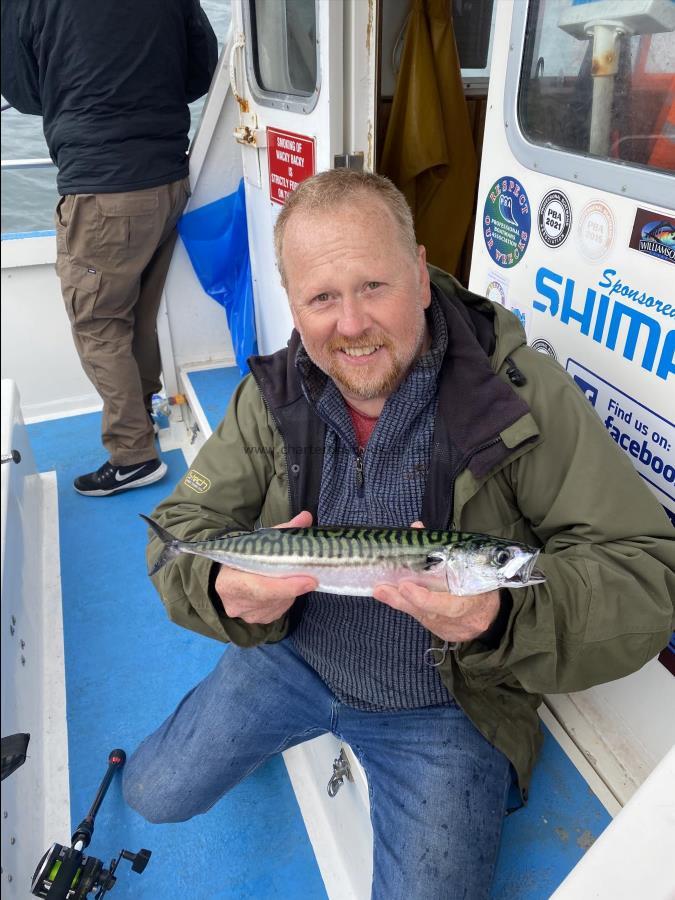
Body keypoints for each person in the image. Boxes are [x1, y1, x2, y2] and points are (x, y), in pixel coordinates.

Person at [122, 170, 674, 899]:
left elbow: (644, 570)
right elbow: (177, 531)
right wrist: (220, 589)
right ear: (294, 303)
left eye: (373, 286)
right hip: (290, 659)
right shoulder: (276, 389)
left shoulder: (517, 397)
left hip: (446, 701)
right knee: (152, 794)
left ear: (418, 273)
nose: (350, 325)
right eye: (321, 298)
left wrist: (500, 615)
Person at [1, 0, 218, 496]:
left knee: (98, 324)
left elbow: (25, 92)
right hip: (169, 180)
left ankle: (133, 456)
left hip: (103, 189)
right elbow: (201, 71)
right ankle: (141, 414)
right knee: (139, 314)